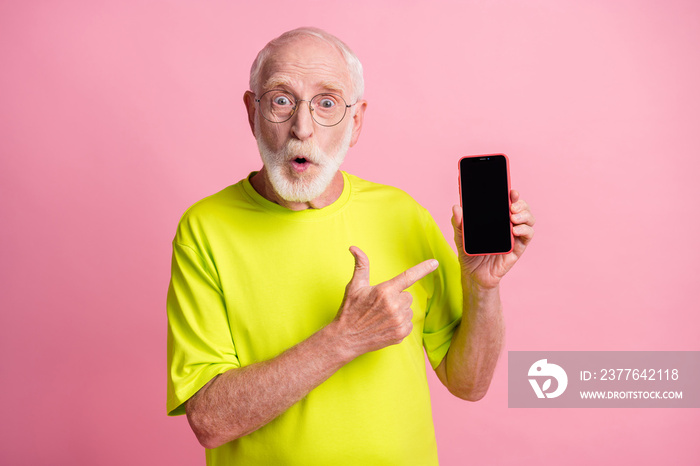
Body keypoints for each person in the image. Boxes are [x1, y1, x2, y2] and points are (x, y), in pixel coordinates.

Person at [166, 27, 535, 465]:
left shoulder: (402, 214)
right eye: (282, 100)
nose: (302, 128)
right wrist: (343, 340)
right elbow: (210, 420)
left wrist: (483, 289)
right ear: (252, 112)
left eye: (327, 103)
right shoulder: (205, 228)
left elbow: (470, 383)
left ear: (356, 121)